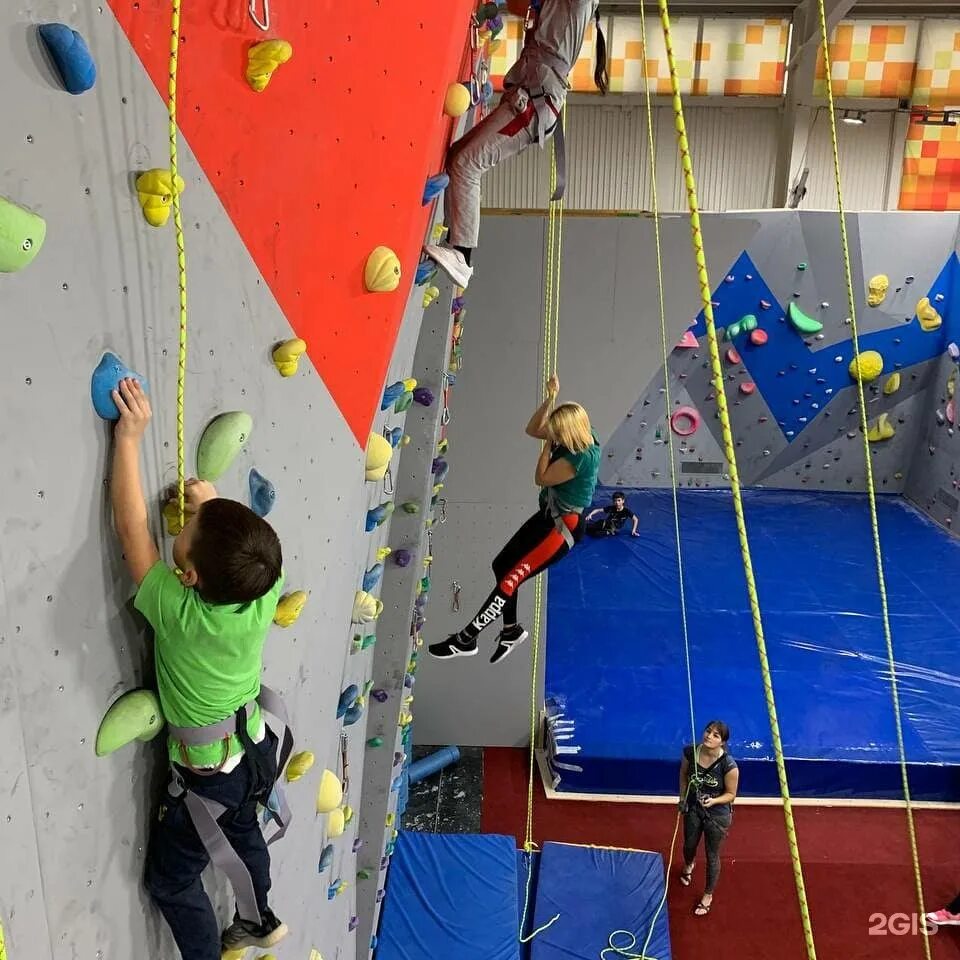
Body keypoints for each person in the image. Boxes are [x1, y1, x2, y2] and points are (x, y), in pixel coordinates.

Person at [109, 378, 288, 959]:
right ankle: (260, 918)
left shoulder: (180, 614)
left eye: (183, 536)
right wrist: (211, 505)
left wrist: (129, 440)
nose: (178, 526)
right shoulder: (264, 584)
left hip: (211, 775)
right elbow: (238, 549)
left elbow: (133, 529)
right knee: (243, 826)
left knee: (172, 880)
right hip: (255, 748)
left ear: (187, 579)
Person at [424, 0, 608, 288]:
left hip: (534, 102)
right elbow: (519, 6)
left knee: (467, 164)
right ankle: (454, 243)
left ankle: (461, 254)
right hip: (530, 94)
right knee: (459, 155)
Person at [429, 373, 600, 664]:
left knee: (511, 578)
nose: (552, 434)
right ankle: (510, 629)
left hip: (562, 528)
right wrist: (551, 399)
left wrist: (548, 444)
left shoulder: (579, 457)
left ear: (568, 432)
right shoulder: (574, 438)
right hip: (548, 518)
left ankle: (466, 638)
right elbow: (533, 429)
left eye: (557, 432)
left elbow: (541, 478)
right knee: (501, 565)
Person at [678, 721, 739, 917]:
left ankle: (708, 895)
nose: (709, 736)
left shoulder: (729, 766)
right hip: (694, 807)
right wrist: (682, 798)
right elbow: (683, 776)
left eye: (716, 735)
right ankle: (689, 864)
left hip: (718, 814)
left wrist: (713, 801)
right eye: (708, 731)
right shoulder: (690, 753)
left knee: (712, 854)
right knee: (689, 844)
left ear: (723, 742)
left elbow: (731, 795)